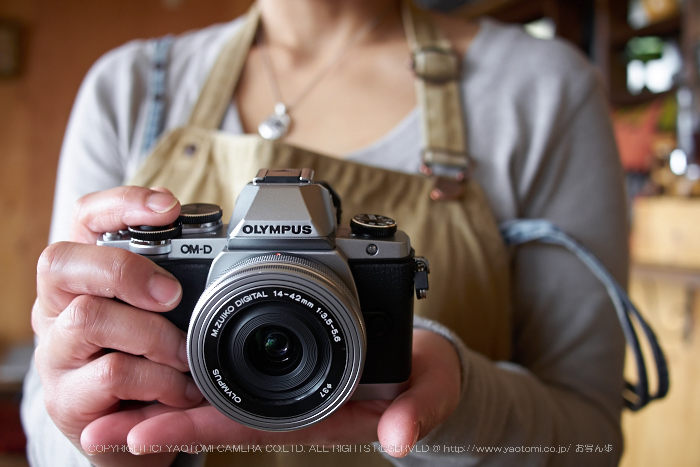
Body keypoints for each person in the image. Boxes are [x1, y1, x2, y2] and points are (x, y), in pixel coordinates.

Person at [22, 0, 630, 466]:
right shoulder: (128, 90)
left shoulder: (542, 89)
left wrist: (464, 402)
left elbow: (593, 441)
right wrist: (96, 439)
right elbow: (49, 413)